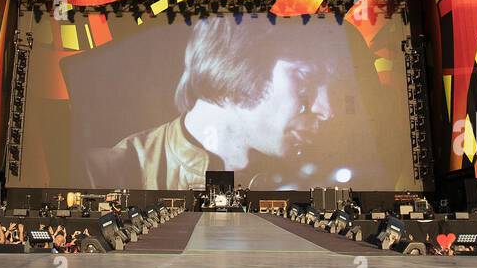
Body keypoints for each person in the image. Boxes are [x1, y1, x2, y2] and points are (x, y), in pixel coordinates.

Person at [85, 16, 347, 189]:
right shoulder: (100, 177)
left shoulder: (316, 180)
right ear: (238, 62)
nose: (327, 110)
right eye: (306, 77)